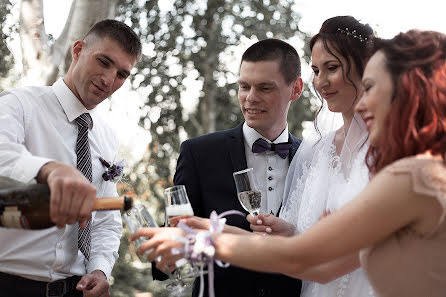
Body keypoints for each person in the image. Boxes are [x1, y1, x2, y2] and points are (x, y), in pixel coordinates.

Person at [135, 29, 446, 297]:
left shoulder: (413, 177)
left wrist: (200, 240)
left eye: (370, 87)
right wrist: (208, 231)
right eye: (244, 86)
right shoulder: (417, 173)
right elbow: (321, 266)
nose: (361, 103)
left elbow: (300, 258)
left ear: (411, 90)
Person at [0, 19, 141, 297]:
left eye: (122, 74)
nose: (109, 80)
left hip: (74, 289)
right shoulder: (19, 104)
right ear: (77, 50)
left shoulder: (107, 136)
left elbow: (105, 217)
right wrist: (49, 170)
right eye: (103, 62)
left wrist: (101, 270)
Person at [249, 16, 375, 297]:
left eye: (332, 68)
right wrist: (290, 232)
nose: (321, 82)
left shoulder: (394, 147)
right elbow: (308, 244)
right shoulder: (314, 151)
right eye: (316, 70)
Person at [168, 39, 304, 297]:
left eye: (265, 88)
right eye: (244, 86)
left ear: (295, 89)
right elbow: (174, 240)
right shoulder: (198, 153)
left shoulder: (312, 158)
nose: (250, 98)